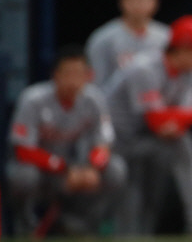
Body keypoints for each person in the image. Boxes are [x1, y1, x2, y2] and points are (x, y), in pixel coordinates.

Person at [104, 15, 192, 236]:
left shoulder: (189, 72)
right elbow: (157, 121)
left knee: (180, 145)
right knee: (131, 192)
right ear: (181, 50)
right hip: (114, 142)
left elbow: (174, 122)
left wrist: (179, 120)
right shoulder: (144, 68)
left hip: (148, 138)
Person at [6, 45, 126, 236]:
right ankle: (26, 226)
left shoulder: (94, 99)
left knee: (115, 170)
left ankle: (83, 224)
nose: (73, 80)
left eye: (79, 74)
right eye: (68, 73)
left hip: (76, 167)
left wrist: (93, 167)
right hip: (42, 169)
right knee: (24, 176)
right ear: (55, 75)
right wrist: (64, 168)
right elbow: (23, 150)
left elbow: (103, 142)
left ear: (88, 76)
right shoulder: (33, 98)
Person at [86, 0, 170, 88]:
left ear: (156, 0)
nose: (138, 2)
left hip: (158, 100)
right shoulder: (103, 39)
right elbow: (95, 87)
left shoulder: (167, 38)